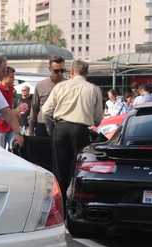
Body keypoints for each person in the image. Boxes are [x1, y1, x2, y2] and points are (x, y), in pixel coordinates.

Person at [41, 59, 103, 204]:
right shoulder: (94, 89)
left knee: (59, 169)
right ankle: (75, 201)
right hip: (81, 130)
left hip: (61, 127)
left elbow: (45, 111)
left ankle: (58, 203)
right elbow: (98, 119)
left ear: (72, 72)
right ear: (86, 73)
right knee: (77, 168)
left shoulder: (61, 87)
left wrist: (51, 130)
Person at [28, 55, 66, 137]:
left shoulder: (68, 85)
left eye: (62, 70)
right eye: (56, 71)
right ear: (50, 69)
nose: (60, 73)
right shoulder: (41, 85)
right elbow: (34, 108)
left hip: (62, 125)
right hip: (42, 125)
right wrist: (31, 131)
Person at [0, 66, 17, 148]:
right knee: (0, 149)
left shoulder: (11, 88)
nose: (13, 79)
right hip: (1, 126)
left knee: (14, 147)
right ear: (5, 77)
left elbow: (9, 105)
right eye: (11, 77)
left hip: (10, 125)